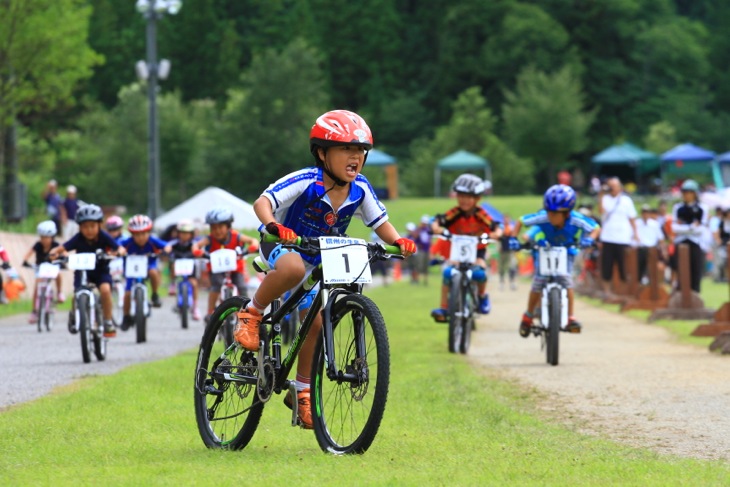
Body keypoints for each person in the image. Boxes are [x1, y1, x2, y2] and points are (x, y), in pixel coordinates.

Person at [235, 109, 416, 429]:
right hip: (283, 245)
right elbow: (263, 202)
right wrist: (274, 225)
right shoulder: (306, 180)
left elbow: (381, 223)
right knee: (291, 268)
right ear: (322, 153)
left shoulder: (360, 188)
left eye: (360, 151)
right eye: (346, 149)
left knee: (318, 321)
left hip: (320, 257)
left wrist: (398, 241)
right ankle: (251, 313)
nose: (355, 157)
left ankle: (303, 392)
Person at [509, 185, 600, 336]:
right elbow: (520, 221)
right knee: (538, 282)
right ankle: (528, 315)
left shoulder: (576, 219)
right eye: (549, 212)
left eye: (555, 214)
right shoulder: (543, 216)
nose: (551, 217)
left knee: (566, 281)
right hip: (546, 251)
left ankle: (570, 317)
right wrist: (513, 238)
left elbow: (595, 227)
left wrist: (589, 240)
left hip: (566, 251)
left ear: (566, 213)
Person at [429, 173, 501, 323]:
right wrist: (436, 227)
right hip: (457, 250)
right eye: (461, 195)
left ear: (477, 198)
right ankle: (443, 307)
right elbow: (439, 220)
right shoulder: (455, 213)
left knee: (480, 273)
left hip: (478, 249)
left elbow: (495, 226)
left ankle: (481, 296)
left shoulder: (481, 214)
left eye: (469, 196)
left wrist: (496, 234)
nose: (464, 200)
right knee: (448, 273)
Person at [48, 204, 126, 337]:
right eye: (85, 226)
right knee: (77, 294)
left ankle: (108, 321)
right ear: (79, 227)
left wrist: (119, 252)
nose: (89, 230)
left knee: (106, 290)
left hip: (101, 271)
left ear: (99, 225)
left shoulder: (104, 236)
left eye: (92, 226)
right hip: (82, 272)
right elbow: (64, 247)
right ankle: (74, 314)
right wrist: (54, 251)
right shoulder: (78, 238)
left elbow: (119, 248)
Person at [192, 207, 259, 322]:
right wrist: (198, 251)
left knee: (242, 286)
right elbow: (196, 246)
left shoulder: (236, 236)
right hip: (217, 269)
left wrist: (252, 247)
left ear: (228, 226)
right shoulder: (210, 239)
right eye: (213, 228)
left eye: (220, 227)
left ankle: (246, 313)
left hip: (235, 268)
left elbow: (253, 241)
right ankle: (210, 312)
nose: (217, 231)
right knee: (216, 286)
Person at [118, 215, 167, 329]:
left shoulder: (152, 241)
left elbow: (166, 245)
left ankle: (155, 294)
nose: (141, 237)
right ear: (132, 234)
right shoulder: (128, 242)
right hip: (132, 271)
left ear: (148, 232)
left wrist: (166, 249)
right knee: (127, 293)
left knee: (154, 272)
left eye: (144, 234)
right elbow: (117, 245)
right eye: (137, 234)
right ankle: (126, 316)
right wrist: (119, 250)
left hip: (148, 266)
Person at [597, 177, 639, 298]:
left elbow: (632, 218)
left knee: (623, 266)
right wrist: (600, 195)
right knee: (607, 266)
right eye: (610, 186)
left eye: (614, 186)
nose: (612, 188)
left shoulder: (626, 200)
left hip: (623, 237)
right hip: (608, 237)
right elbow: (601, 211)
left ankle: (623, 292)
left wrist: (635, 234)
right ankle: (607, 292)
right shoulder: (605, 199)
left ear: (619, 187)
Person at [671, 180, 710, 293]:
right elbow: (674, 227)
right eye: (685, 192)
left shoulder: (702, 208)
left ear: (695, 193)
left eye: (689, 192)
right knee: (681, 270)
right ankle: (680, 295)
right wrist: (691, 227)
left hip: (696, 243)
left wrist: (684, 227)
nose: (687, 195)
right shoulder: (678, 207)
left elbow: (701, 229)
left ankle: (695, 295)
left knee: (695, 271)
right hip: (681, 241)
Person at [22, 220, 64, 324]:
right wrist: (25, 261)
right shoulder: (38, 245)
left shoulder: (56, 245)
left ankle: (59, 292)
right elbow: (28, 254)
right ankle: (34, 310)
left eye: (47, 237)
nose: (44, 240)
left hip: (53, 267)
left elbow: (65, 252)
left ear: (52, 237)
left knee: (58, 274)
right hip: (41, 268)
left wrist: (65, 259)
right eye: (42, 237)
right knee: (37, 286)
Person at [164, 219, 202, 320]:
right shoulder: (175, 243)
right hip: (178, 266)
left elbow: (197, 248)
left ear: (191, 234)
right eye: (182, 233)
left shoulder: (193, 243)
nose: (184, 236)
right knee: (172, 264)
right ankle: (172, 283)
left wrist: (197, 250)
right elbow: (168, 246)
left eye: (187, 233)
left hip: (190, 268)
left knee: (194, 284)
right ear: (178, 233)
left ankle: (195, 307)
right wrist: (167, 249)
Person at [635, 205, 666, 284]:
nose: (645, 215)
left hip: (652, 249)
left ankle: (648, 279)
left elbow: (661, 238)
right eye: (644, 213)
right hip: (639, 248)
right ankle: (641, 279)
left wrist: (664, 250)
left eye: (647, 213)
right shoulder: (636, 223)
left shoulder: (655, 224)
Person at [498, 213, 518, 291]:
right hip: (502, 249)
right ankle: (501, 282)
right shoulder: (501, 228)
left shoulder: (511, 227)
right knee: (502, 267)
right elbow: (498, 238)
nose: (506, 220)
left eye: (507, 219)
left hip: (510, 250)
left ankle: (512, 282)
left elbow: (514, 237)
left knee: (512, 266)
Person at [412, 215, 432, 285]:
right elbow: (414, 236)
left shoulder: (428, 230)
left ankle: (425, 281)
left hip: (426, 250)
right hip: (420, 250)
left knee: (426, 266)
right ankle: (417, 280)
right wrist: (419, 228)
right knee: (419, 266)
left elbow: (429, 241)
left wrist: (430, 251)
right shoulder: (418, 230)